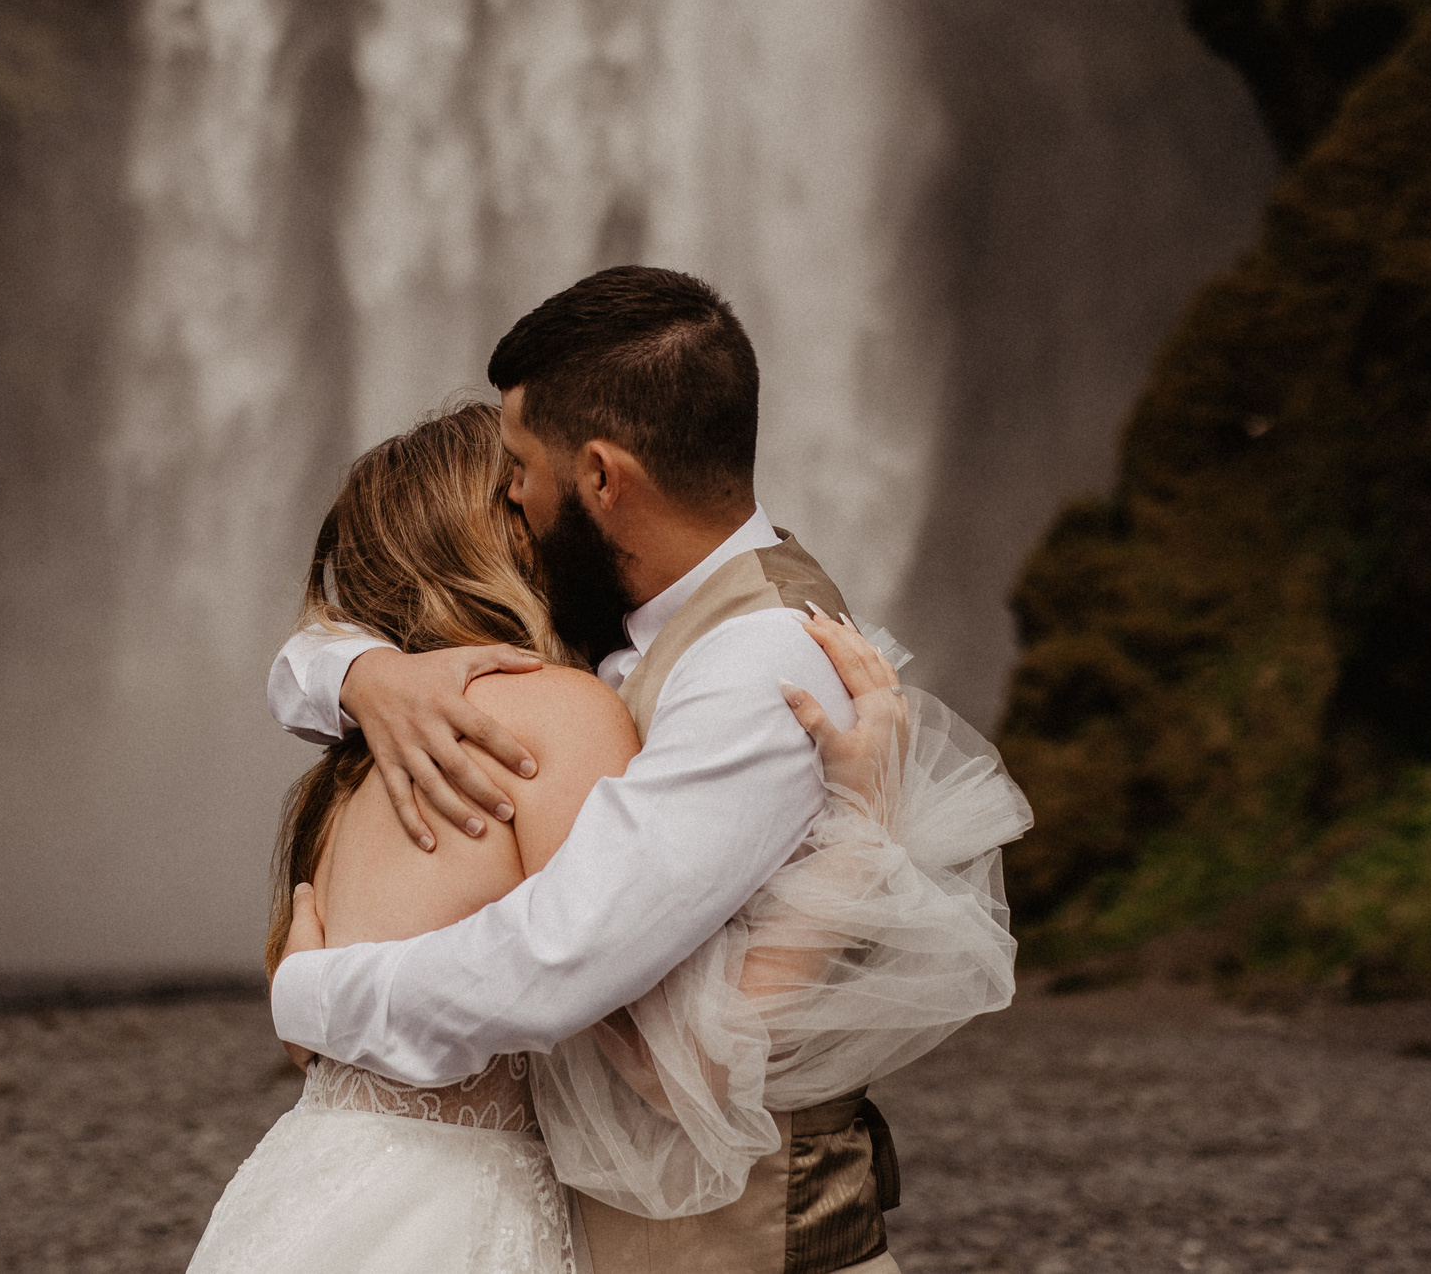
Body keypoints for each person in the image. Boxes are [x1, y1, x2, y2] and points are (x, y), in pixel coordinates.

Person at [248, 267, 1029, 1273]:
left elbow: (566, 960)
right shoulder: (606, 630)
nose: (512, 500)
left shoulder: (759, 666)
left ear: (603, 477)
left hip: (746, 1245)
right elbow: (335, 632)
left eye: (519, 470)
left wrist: (315, 999)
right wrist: (361, 673)